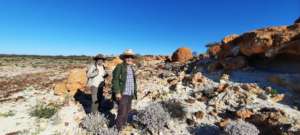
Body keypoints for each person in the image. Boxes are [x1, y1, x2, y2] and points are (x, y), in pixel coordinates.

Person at [112, 49, 138, 131]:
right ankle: (118, 129)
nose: (129, 58)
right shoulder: (120, 66)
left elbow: (132, 81)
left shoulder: (131, 67)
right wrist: (117, 92)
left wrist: (134, 92)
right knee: (122, 112)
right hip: (123, 93)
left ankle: (123, 125)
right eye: (127, 57)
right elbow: (115, 79)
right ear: (124, 58)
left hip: (130, 93)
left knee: (127, 111)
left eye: (131, 57)